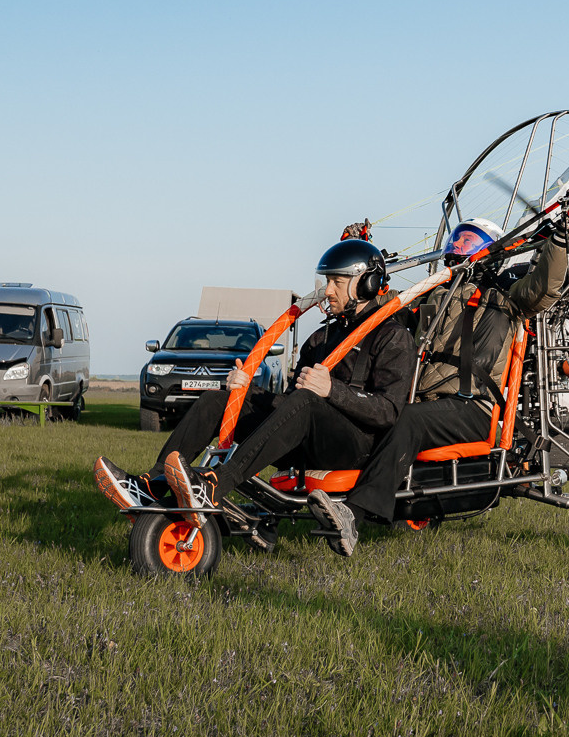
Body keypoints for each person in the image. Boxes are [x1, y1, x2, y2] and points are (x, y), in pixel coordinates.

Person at [92, 234, 416, 555]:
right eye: (327, 280)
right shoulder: (321, 338)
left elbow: (388, 412)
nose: (327, 290)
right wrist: (246, 392)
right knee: (218, 399)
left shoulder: (392, 337)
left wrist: (333, 390)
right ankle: (154, 483)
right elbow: (289, 405)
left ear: (367, 283)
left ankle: (215, 486)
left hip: (355, 446)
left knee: (307, 401)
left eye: (337, 281)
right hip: (306, 440)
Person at [320, 185, 569, 553]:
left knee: (405, 420)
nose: (459, 249)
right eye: (457, 240)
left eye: (468, 242)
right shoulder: (432, 298)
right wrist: (361, 256)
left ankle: (354, 514)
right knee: (375, 411)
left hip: (473, 409)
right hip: (430, 405)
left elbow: (545, 285)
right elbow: (379, 310)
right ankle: (309, 488)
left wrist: (560, 235)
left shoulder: (506, 299)